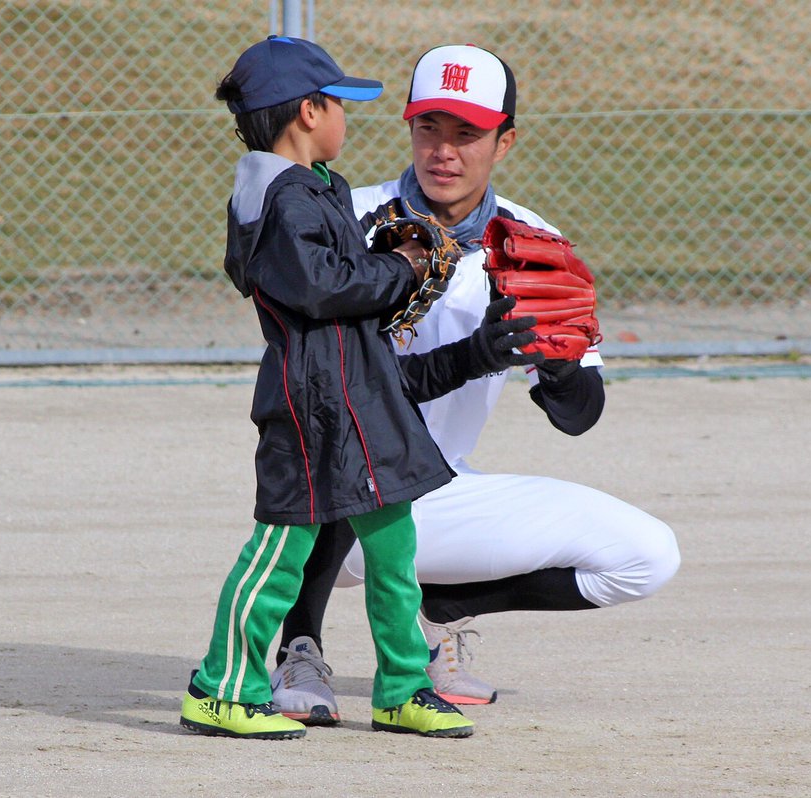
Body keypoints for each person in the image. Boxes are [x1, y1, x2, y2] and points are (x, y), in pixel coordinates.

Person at [269, 44, 682, 724]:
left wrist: (557, 364)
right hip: (320, 498)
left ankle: (448, 605)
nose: (444, 151)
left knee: (646, 555)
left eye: (468, 133)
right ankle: (301, 648)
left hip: (438, 498)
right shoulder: (342, 219)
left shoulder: (528, 240)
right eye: (430, 127)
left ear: (505, 140)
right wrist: (474, 353)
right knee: (353, 448)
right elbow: (333, 393)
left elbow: (580, 417)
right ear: (408, 127)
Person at [179, 37, 540, 740]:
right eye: (339, 104)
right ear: (308, 113)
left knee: (394, 547)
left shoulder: (319, 188)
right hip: (313, 397)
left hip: (360, 388)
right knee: (281, 552)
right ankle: (221, 687)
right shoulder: (281, 198)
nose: (348, 118)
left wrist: (383, 259)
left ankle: (401, 687)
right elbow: (319, 289)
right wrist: (401, 269)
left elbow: (342, 276)